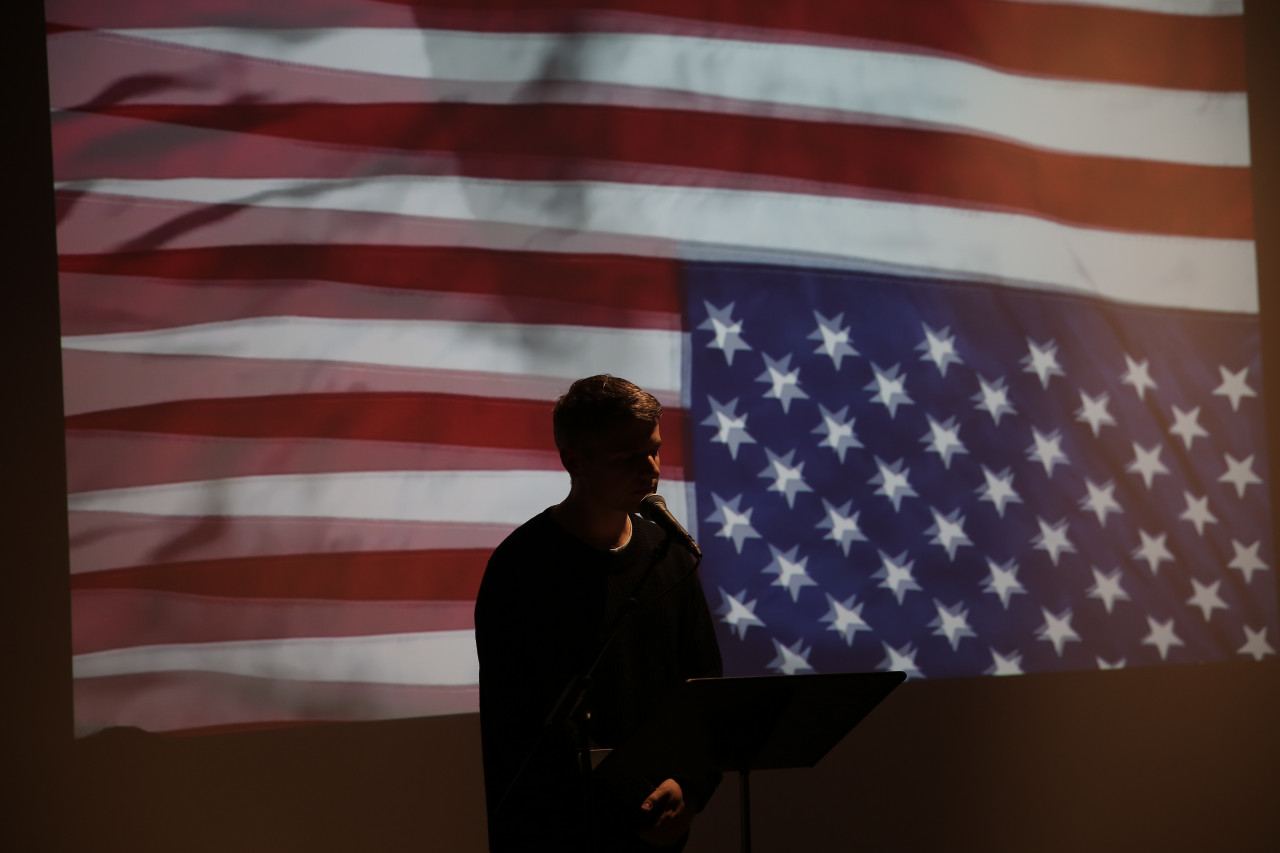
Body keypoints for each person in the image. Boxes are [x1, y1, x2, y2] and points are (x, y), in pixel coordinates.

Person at [475, 375, 723, 852]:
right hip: (563, 828)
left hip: (657, 827)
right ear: (574, 459)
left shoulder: (667, 553)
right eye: (626, 457)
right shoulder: (523, 566)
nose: (650, 469)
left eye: (654, 450)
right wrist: (634, 797)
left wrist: (691, 785)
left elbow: (702, 684)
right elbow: (522, 721)